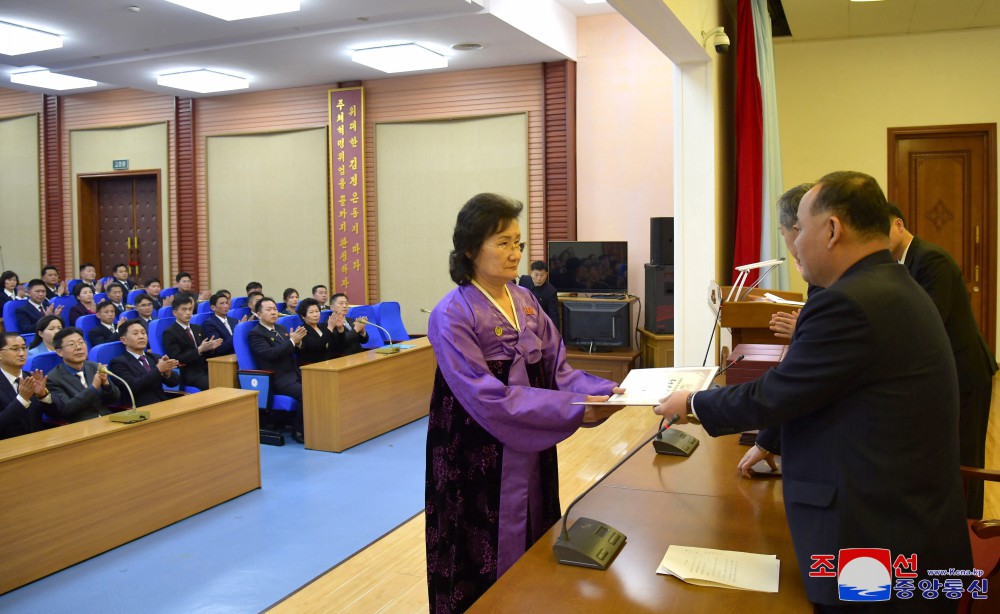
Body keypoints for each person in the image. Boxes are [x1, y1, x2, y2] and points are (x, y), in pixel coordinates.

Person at [654, 172, 972, 612]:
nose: (795, 245)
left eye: (799, 230)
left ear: (833, 229)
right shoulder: (893, 285)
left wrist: (689, 402)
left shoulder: (849, 302)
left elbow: (777, 394)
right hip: (911, 526)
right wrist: (770, 439)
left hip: (876, 545)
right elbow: (822, 390)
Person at [425, 193, 624, 613]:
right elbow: (485, 395)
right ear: (469, 248)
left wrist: (606, 392)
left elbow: (560, 371)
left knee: (536, 524)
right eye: (502, 243)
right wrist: (571, 409)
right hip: (475, 453)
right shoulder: (452, 314)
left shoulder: (527, 302)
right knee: (477, 550)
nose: (515, 253)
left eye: (518, 242)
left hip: (530, 441)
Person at [888, 203, 999, 518]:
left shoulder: (930, 258)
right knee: (950, 452)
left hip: (965, 369)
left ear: (898, 225)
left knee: (967, 454)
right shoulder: (903, 262)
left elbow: (930, 317)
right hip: (945, 370)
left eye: (881, 231)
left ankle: (971, 525)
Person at [249, 297, 306, 443]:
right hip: (277, 377)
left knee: (318, 384)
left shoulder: (280, 328)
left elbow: (289, 350)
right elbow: (270, 354)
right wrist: (292, 341)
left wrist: (297, 344)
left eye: (275, 309)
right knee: (305, 393)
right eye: (268, 310)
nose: (274, 312)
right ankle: (299, 431)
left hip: (293, 372)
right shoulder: (256, 334)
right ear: (259, 314)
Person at [47, 327, 121, 422]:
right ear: (59, 352)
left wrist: (106, 384)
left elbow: (115, 399)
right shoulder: (53, 378)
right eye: (71, 344)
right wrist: (93, 387)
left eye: (81, 342)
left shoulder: (95, 367)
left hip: (108, 420)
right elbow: (66, 409)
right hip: (82, 427)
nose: (78, 347)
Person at [109, 319, 179, 407]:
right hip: (141, 408)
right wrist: (158, 370)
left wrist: (167, 374)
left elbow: (174, 383)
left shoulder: (154, 357)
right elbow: (132, 387)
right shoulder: (118, 363)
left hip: (163, 403)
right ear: (124, 340)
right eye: (135, 334)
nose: (141, 336)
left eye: (143, 333)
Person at [162, 294, 221, 391]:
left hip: (205, 368)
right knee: (212, 384)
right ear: (175, 313)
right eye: (184, 310)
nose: (188, 313)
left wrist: (210, 349)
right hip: (187, 372)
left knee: (226, 377)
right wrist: (199, 350)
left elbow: (205, 353)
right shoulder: (169, 333)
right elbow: (177, 358)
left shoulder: (197, 328)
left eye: (190, 309)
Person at [0, 332, 51, 439]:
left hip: (39, 440)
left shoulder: (34, 378)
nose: (22, 353)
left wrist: (43, 396)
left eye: (24, 348)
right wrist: (22, 400)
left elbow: (59, 414)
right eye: (15, 349)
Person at [295, 298, 334, 365]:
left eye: (317, 311)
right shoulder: (302, 330)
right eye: (311, 312)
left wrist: (340, 329)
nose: (315, 315)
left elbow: (336, 344)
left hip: (329, 362)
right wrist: (330, 328)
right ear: (303, 316)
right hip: (313, 366)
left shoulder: (323, 326)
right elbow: (317, 346)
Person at [202, 291, 242, 356]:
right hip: (224, 359)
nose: (226, 306)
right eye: (222, 303)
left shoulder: (234, 321)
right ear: (213, 307)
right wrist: (237, 333)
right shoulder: (209, 324)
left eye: (227, 303)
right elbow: (219, 349)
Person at [328, 292, 368, 357]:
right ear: (332, 307)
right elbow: (339, 342)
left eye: (346, 303)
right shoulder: (330, 323)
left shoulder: (351, 320)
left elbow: (364, 341)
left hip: (359, 356)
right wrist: (356, 330)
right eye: (341, 303)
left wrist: (362, 331)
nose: (344, 306)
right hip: (343, 357)